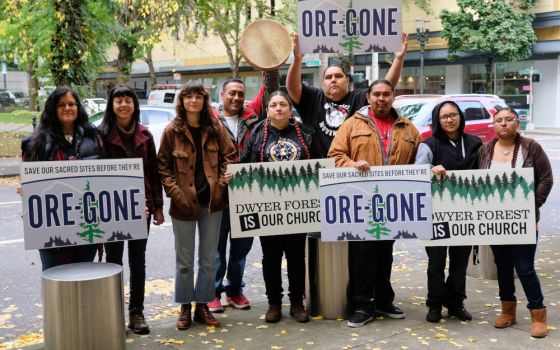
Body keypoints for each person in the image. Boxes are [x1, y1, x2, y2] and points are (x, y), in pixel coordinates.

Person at [328, 79, 421, 328]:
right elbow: (335, 155)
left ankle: (383, 300)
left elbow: (416, 163)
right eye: (377, 94)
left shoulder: (409, 128)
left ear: (393, 97)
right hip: (360, 200)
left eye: (387, 94)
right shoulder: (351, 125)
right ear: (368, 97)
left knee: (385, 253)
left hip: (392, 202)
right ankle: (362, 305)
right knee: (362, 254)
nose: (381, 99)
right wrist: (352, 164)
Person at [158, 80, 236, 330]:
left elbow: (230, 155)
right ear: (182, 101)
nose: (193, 101)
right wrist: (176, 193)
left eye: (198, 97)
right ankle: (184, 308)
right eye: (188, 97)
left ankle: (203, 305)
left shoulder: (215, 127)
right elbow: (163, 167)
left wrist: (224, 181)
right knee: (184, 261)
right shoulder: (172, 131)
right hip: (183, 204)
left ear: (204, 101)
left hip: (212, 203)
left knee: (208, 259)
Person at [478, 107, 553, 338]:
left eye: (508, 119)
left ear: (517, 123)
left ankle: (537, 313)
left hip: (524, 222)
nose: (503, 124)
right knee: (503, 267)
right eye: (498, 120)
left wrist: (531, 206)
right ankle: (507, 311)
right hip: (496, 223)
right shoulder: (485, 150)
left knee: (524, 267)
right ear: (493, 125)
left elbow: (546, 178)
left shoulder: (531, 148)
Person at [239, 91, 314, 323]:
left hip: (298, 207)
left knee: (296, 256)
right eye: (274, 105)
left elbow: (319, 163)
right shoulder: (257, 133)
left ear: (290, 109)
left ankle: (296, 303)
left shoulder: (306, 133)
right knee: (270, 257)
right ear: (268, 109)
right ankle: (273, 303)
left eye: (283, 104)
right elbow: (244, 164)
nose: (279, 108)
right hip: (267, 207)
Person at [98, 85, 164, 334]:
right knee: (113, 262)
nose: (123, 105)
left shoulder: (145, 135)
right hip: (111, 209)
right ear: (111, 106)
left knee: (138, 262)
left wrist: (157, 206)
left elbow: (154, 174)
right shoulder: (99, 135)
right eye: (118, 101)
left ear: (134, 105)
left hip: (140, 208)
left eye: (128, 100)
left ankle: (137, 312)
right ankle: (112, 312)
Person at [209, 74, 273, 313]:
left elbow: (269, 88)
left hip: (247, 194)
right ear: (222, 95)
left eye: (240, 94)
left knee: (241, 247)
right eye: (231, 93)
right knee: (215, 248)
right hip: (219, 194)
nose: (236, 97)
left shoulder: (252, 116)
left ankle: (235, 290)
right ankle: (214, 293)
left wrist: (267, 66)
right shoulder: (210, 119)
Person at [21, 86, 104, 270]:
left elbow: (106, 179)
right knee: (56, 282)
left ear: (78, 107)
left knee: (84, 278)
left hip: (86, 225)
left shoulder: (94, 137)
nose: (67, 108)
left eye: (72, 104)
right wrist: (26, 187)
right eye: (61, 105)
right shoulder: (36, 143)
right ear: (53, 108)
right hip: (52, 229)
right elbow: (31, 182)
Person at [286, 33, 407, 158]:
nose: (333, 80)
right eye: (328, 77)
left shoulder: (359, 98)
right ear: (323, 83)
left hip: (353, 167)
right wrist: (297, 59)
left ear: (347, 81)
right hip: (319, 167)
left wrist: (399, 59)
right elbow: (292, 87)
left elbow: (385, 88)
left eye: (338, 76)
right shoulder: (313, 98)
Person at [415, 101, 482, 323]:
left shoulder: (475, 143)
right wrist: (429, 170)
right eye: (444, 117)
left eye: (453, 115)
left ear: (460, 117)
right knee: (436, 263)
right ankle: (434, 304)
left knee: (459, 263)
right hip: (436, 215)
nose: (450, 119)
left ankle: (455, 304)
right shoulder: (429, 145)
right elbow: (416, 173)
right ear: (437, 120)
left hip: (465, 214)